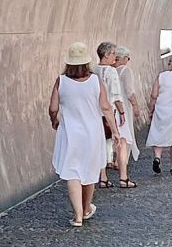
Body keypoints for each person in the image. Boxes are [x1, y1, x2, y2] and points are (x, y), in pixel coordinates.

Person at [49, 42, 120, 227]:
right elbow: (105, 107)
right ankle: (86, 208)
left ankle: (78, 215)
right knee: (89, 171)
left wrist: (54, 121)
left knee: (72, 171)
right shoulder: (96, 80)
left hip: (70, 132)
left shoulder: (61, 80)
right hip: (92, 132)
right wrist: (115, 131)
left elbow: (53, 107)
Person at [94, 42, 136, 188]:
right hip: (112, 112)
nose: (115, 56)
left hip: (97, 112)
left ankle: (103, 177)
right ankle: (123, 177)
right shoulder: (111, 72)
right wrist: (122, 112)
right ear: (106, 55)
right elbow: (116, 96)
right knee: (121, 142)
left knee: (101, 143)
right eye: (113, 53)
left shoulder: (94, 70)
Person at [146, 55, 172, 175]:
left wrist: (151, 109)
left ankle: (157, 157)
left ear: (169, 65)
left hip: (161, 108)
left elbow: (154, 94)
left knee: (159, 134)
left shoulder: (161, 76)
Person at [114, 46, 141, 167]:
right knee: (125, 133)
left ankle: (113, 159)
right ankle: (121, 161)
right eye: (127, 58)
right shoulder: (126, 71)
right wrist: (135, 106)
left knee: (114, 133)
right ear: (123, 58)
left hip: (111, 105)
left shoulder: (109, 71)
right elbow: (130, 91)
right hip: (123, 105)